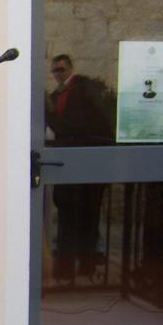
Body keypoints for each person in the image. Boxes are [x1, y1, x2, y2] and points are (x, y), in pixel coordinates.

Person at [45, 53, 113, 279]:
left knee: (87, 217)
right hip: (70, 164)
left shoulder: (82, 91)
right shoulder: (59, 95)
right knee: (70, 217)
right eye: (55, 71)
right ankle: (70, 269)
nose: (58, 74)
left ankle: (84, 266)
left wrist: (50, 114)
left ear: (71, 68)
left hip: (88, 162)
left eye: (62, 69)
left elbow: (71, 126)